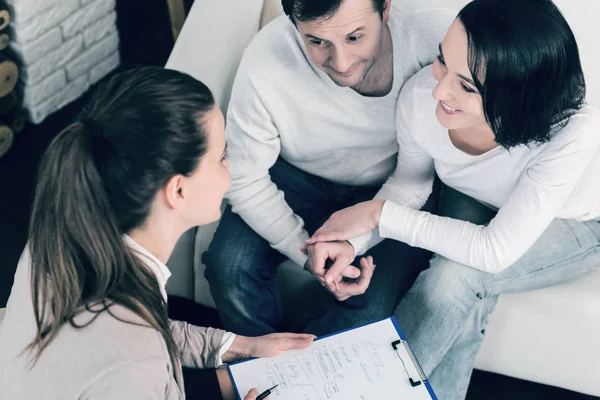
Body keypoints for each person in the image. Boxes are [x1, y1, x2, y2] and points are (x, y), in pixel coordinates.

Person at [305, 0, 600, 398]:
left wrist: (377, 214)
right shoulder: (422, 96)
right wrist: (351, 242)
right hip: (479, 197)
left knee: (454, 280)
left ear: (516, 97)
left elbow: (493, 251)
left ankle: (377, 393)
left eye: (466, 85)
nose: (438, 87)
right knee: (464, 299)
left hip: (577, 221)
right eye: (443, 60)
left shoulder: (572, 133)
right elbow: (410, 185)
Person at [0, 67, 315, 400]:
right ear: (178, 191)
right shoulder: (133, 357)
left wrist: (240, 347)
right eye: (222, 156)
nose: (231, 167)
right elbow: (134, 349)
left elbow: (149, 334)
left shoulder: (57, 238)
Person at [203, 0, 456, 337]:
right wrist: (306, 252)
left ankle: (309, 383)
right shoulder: (266, 60)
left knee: (373, 309)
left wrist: (354, 242)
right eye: (317, 41)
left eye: (354, 37)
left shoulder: (439, 39)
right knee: (229, 266)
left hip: (392, 184)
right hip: (295, 179)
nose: (342, 63)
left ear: (385, 9)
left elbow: (415, 179)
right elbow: (244, 178)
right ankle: (259, 375)